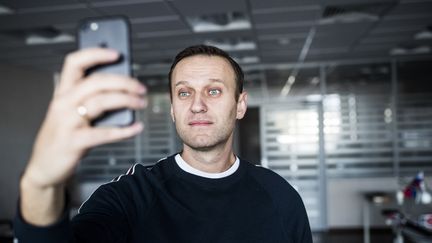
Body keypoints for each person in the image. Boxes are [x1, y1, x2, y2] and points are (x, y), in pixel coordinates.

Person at [14, 45, 312, 242]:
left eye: (214, 91)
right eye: (184, 93)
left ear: (240, 105)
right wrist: (39, 185)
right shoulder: (132, 194)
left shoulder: (280, 196)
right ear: (172, 108)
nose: (197, 105)